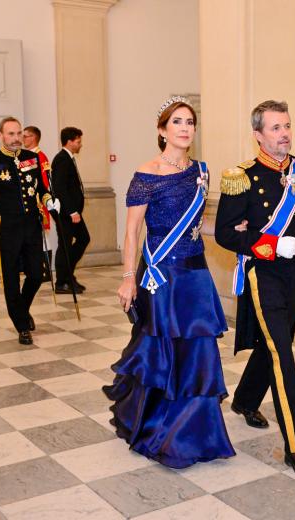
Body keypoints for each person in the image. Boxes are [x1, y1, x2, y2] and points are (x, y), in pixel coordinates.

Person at [102, 96, 235, 468]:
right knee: (163, 354)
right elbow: (131, 233)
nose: (185, 128)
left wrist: (235, 232)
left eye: (190, 122)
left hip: (195, 276)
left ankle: (196, 431)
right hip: (161, 276)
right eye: (177, 121)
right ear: (162, 130)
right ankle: (160, 428)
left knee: (198, 355)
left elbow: (199, 227)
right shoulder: (146, 174)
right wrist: (129, 278)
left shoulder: (202, 172)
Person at [215, 100, 295, 479]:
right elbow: (224, 233)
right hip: (264, 273)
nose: (284, 133)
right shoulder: (242, 177)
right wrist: (267, 243)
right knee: (283, 356)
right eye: (275, 128)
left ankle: (246, 399)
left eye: (287, 125)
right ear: (258, 135)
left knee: (277, 341)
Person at [0, 117, 60, 345]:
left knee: (36, 274)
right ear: (1, 136)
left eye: (19, 133)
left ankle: (21, 309)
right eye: (10, 134)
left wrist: (49, 200)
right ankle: (22, 326)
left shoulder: (31, 158)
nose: (16, 138)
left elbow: (41, 188)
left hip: (32, 225)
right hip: (7, 229)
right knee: (11, 279)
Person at [51, 126, 90, 294]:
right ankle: (62, 282)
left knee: (83, 239)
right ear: (69, 141)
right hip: (67, 213)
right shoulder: (61, 159)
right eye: (78, 142)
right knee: (65, 245)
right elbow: (60, 188)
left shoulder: (68, 158)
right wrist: (72, 211)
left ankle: (68, 274)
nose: (80, 145)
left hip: (73, 212)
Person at [22, 125, 53, 282]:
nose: (22, 139)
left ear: (33, 138)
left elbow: (44, 182)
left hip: (38, 203)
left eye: (25, 136)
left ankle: (45, 271)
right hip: (29, 203)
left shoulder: (40, 156)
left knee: (43, 237)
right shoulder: (26, 156)